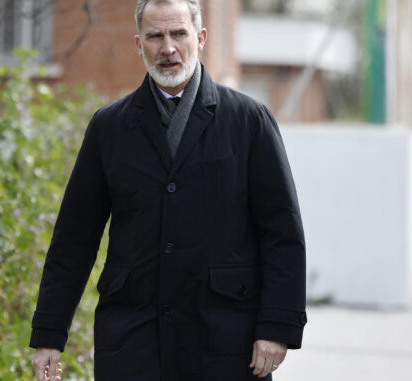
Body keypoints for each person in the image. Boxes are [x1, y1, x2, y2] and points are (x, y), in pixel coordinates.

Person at [30, 0, 307, 379]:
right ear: (138, 44)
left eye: (179, 34)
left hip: (226, 338)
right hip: (133, 337)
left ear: (201, 37)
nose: (168, 48)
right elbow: (74, 238)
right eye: (155, 36)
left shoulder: (248, 121)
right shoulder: (109, 128)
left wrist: (277, 325)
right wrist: (49, 332)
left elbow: (282, 232)